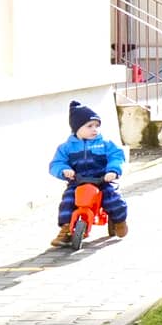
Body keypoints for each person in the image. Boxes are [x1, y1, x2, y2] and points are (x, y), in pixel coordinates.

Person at [51, 102, 128, 246]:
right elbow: (56, 163)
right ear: (77, 128)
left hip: (101, 179)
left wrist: (112, 170)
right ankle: (66, 230)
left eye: (97, 126)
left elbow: (116, 156)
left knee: (113, 198)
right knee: (67, 202)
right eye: (90, 126)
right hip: (78, 181)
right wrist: (64, 170)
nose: (95, 130)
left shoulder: (105, 143)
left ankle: (119, 221)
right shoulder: (66, 147)